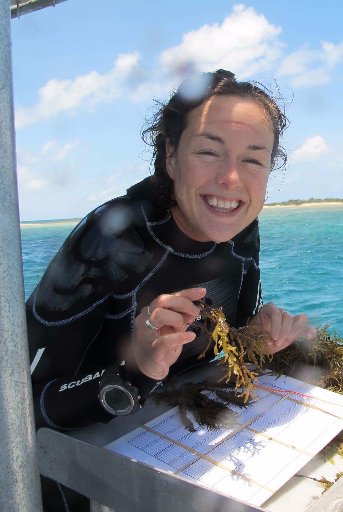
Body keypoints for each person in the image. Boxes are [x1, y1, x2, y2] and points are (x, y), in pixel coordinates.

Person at [27, 69, 316, 511]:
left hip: (183, 449)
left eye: (254, 159)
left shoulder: (241, 229)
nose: (232, 179)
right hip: (73, 478)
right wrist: (136, 370)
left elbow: (217, 342)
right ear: (171, 156)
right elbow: (23, 406)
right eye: (208, 152)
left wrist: (253, 338)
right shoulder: (113, 239)